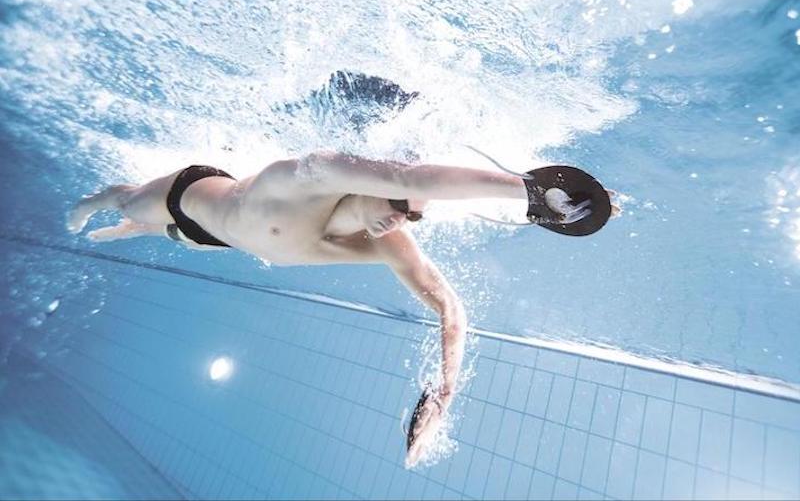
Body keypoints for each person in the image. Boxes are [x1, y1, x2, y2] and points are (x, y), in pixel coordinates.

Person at [66, 152, 619, 467]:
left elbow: (450, 306)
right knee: (129, 202)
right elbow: (411, 179)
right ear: (378, 180)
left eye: (411, 217)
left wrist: (445, 393)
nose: (401, 219)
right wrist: (523, 190)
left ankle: (135, 226)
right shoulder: (304, 175)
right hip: (191, 196)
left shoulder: (386, 240)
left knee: (166, 235)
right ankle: (109, 203)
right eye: (398, 204)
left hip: (217, 240)